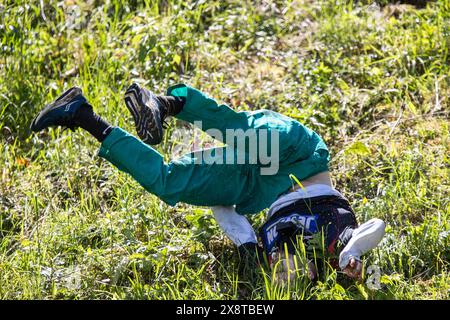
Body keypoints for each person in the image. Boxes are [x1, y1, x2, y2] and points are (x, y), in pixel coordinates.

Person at [30, 83, 386, 282]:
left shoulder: (262, 253)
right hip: (299, 158)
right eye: (288, 278)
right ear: (308, 276)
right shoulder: (333, 246)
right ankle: (166, 104)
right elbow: (377, 226)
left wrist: (216, 191)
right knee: (248, 136)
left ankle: (83, 115)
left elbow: (225, 212)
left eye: (278, 279)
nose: (281, 274)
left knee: (168, 184)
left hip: (253, 187)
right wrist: (352, 254)